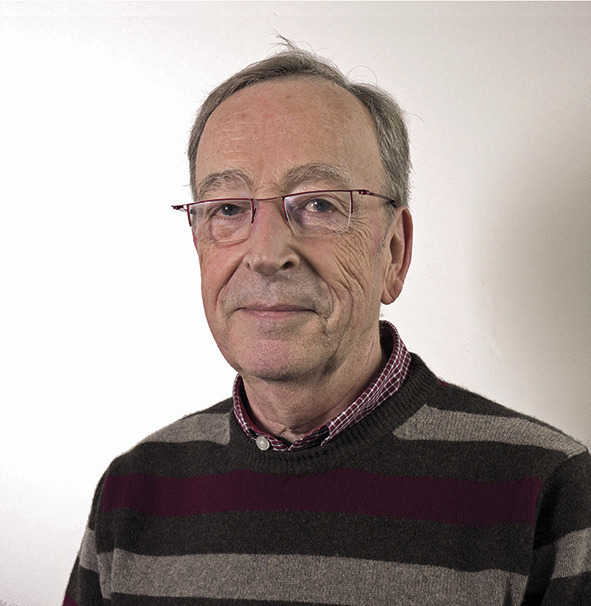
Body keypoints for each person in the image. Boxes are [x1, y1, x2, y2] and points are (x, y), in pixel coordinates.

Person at [63, 44, 591, 606]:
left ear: (393, 253)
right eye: (228, 208)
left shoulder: (549, 494)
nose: (266, 254)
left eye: (318, 204)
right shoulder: (132, 493)